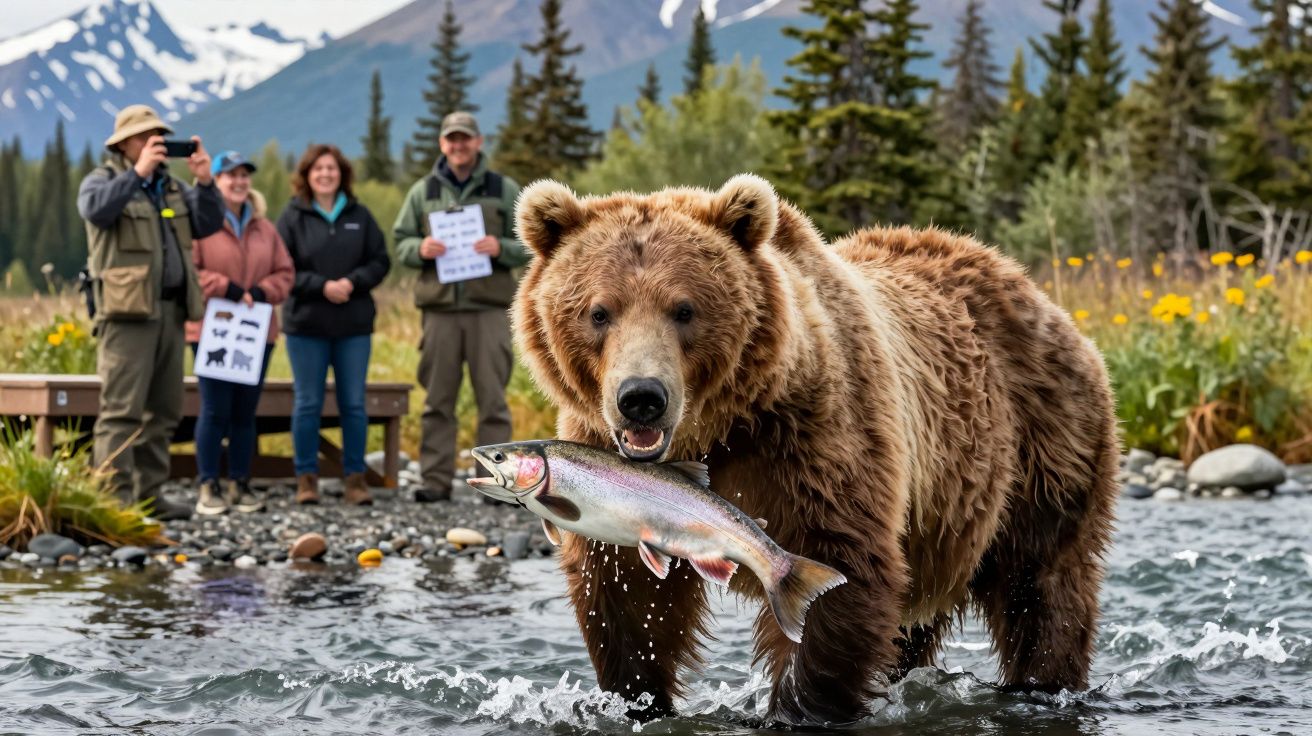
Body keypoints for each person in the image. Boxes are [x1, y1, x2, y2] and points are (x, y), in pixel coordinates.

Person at [77, 105, 224, 520]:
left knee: (164, 411)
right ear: (123, 143)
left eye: (158, 136)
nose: (154, 143)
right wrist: (136, 174)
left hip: (171, 312)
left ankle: (150, 494)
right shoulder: (103, 181)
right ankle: (112, 499)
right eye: (145, 136)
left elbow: (208, 224)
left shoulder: (172, 188)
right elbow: (96, 211)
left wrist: (205, 182)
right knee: (121, 410)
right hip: (126, 315)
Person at [394, 111, 531, 503]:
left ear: (478, 142)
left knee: (493, 400)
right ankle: (435, 481)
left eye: (465, 138)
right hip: (439, 312)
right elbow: (400, 241)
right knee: (438, 400)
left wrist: (500, 248)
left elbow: (530, 241)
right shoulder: (424, 191)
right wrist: (418, 249)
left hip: (488, 310)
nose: (458, 145)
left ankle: (495, 485)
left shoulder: (502, 189)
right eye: (451, 139)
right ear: (442, 144)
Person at [277, 144, 390, 506]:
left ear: (342, 175)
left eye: (332, 168)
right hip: (305, 327)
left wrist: (352, 283)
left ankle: (355, 480)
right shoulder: (292, 217)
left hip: (353, 327)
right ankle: (305, 480)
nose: (325, 174)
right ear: (307, 176)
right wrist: (320, 286)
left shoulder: (361, 215)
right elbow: (282, 267)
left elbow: (380, 261)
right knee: (307, 403)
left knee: (353, 405)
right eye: (318, 169)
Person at [186, 151, 295, 515]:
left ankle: (240, 483)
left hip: (254, 330)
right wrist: (226, 288)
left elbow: (285, 272)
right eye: (230, 175)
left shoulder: (265, 228)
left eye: (244, 175)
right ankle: (207, 484)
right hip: (210, 329)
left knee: (246, 410)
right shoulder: (201, 222)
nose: (238, 181)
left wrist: (263, 292)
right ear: (216, 181)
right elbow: (190, 271)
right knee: (215, 407)